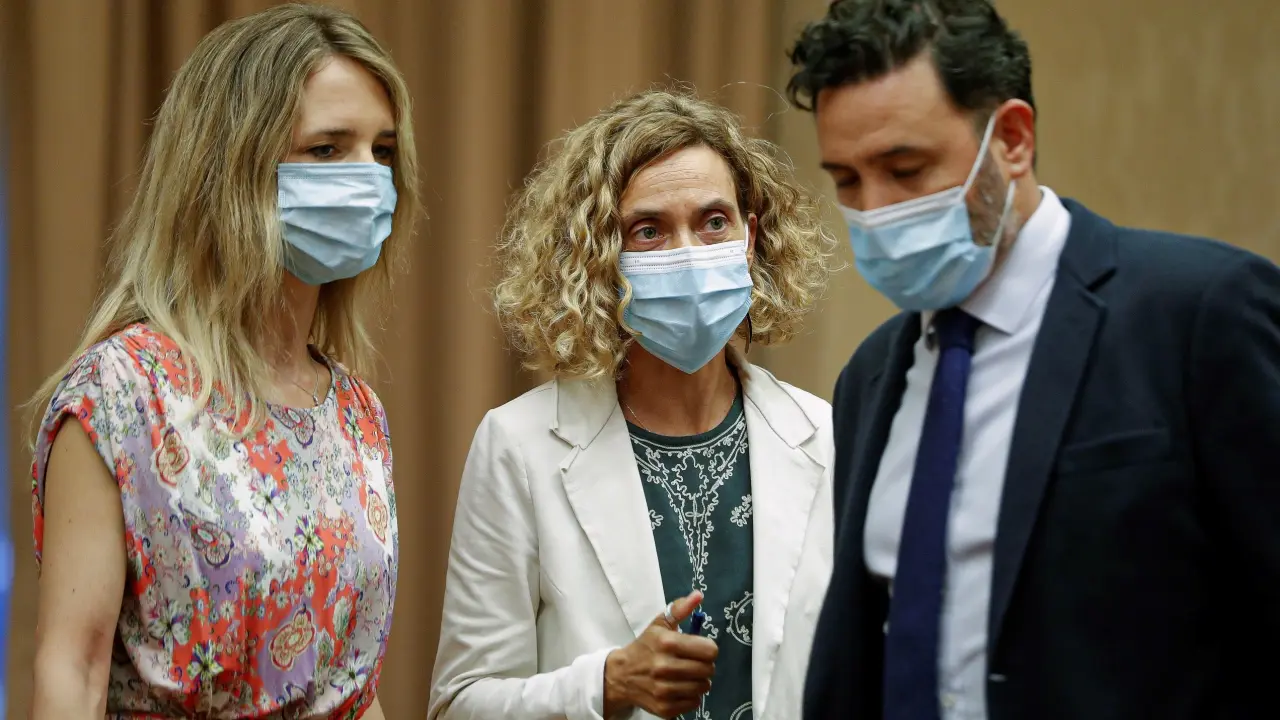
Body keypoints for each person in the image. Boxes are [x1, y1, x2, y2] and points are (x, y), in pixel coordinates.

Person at [785, 1, 1280, 719]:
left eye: (905, 168)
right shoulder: (870, 377)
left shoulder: (1200, 315)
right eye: (847, 180)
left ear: (1012, 139)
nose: (876, 208)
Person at [28, 4, 421, 718]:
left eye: (383, 151)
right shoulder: (121, 393)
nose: (368, 178)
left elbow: (357, 691)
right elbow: (72, 671)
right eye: (327, 149)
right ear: (232, 165)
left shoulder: (358, 413)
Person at [428, 88, 837, 720]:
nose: (688, 253)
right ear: (601, 259)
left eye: (714, 222)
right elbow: (460, 703)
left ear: (750, 237)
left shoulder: (825, 436)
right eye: (648, 231)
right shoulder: (520, 445)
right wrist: (607, 685)